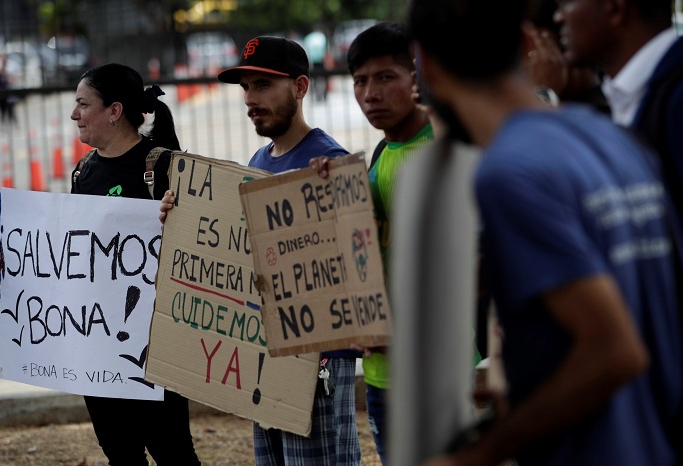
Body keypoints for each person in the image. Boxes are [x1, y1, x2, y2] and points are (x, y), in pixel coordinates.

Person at [406, 0, 683, 465]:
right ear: (526, 42)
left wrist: (478, 454)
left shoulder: (510, 171)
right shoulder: (613, 139)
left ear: (426, 67)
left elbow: (615, 352)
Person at [0, 63, 202, 466]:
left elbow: (198, 241)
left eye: (83, 104)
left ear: (114, 111)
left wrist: (179, 216)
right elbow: (71, 255)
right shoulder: (84, 171)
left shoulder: (163, 167)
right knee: (120, 453)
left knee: (173, 452)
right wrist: (19, 262)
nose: (74, 114)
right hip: (97, 349)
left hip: (150, 347)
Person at [162, 35, 360, 466]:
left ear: (301, 87)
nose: (251, 98)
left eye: (264, 85)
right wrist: (182, 220)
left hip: (315, 364)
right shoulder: (259, 161)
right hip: (263, 360)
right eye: (246, 87)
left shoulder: (327, 164)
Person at [309, 22, 434, 465]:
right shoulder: (381, 155)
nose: (370, 94)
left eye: (385, 78)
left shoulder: (444, 151)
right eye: (360, 81)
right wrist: (334, 192)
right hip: (382, 372)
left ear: (416, 78)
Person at [554, 0, 683, 211]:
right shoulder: (629, 95)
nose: (558, 17)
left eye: (565, 4)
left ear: (614, 8)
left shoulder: (677, 95)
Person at [303, 26, 329, 101]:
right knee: (323, 77)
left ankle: (316, 95)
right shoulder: (322, 37)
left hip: (312, 61)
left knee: (313, 78)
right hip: (321, 61)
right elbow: (326, 50)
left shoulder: (308, 38)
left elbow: (306, 50)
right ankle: (324, 95)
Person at [0, 53, 17, 127]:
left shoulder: (11, 66)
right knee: (2, 110)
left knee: (11, 109)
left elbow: (13, 78)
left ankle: (14, 124)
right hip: (0, 92)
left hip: (9, 91)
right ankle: (3, 125)